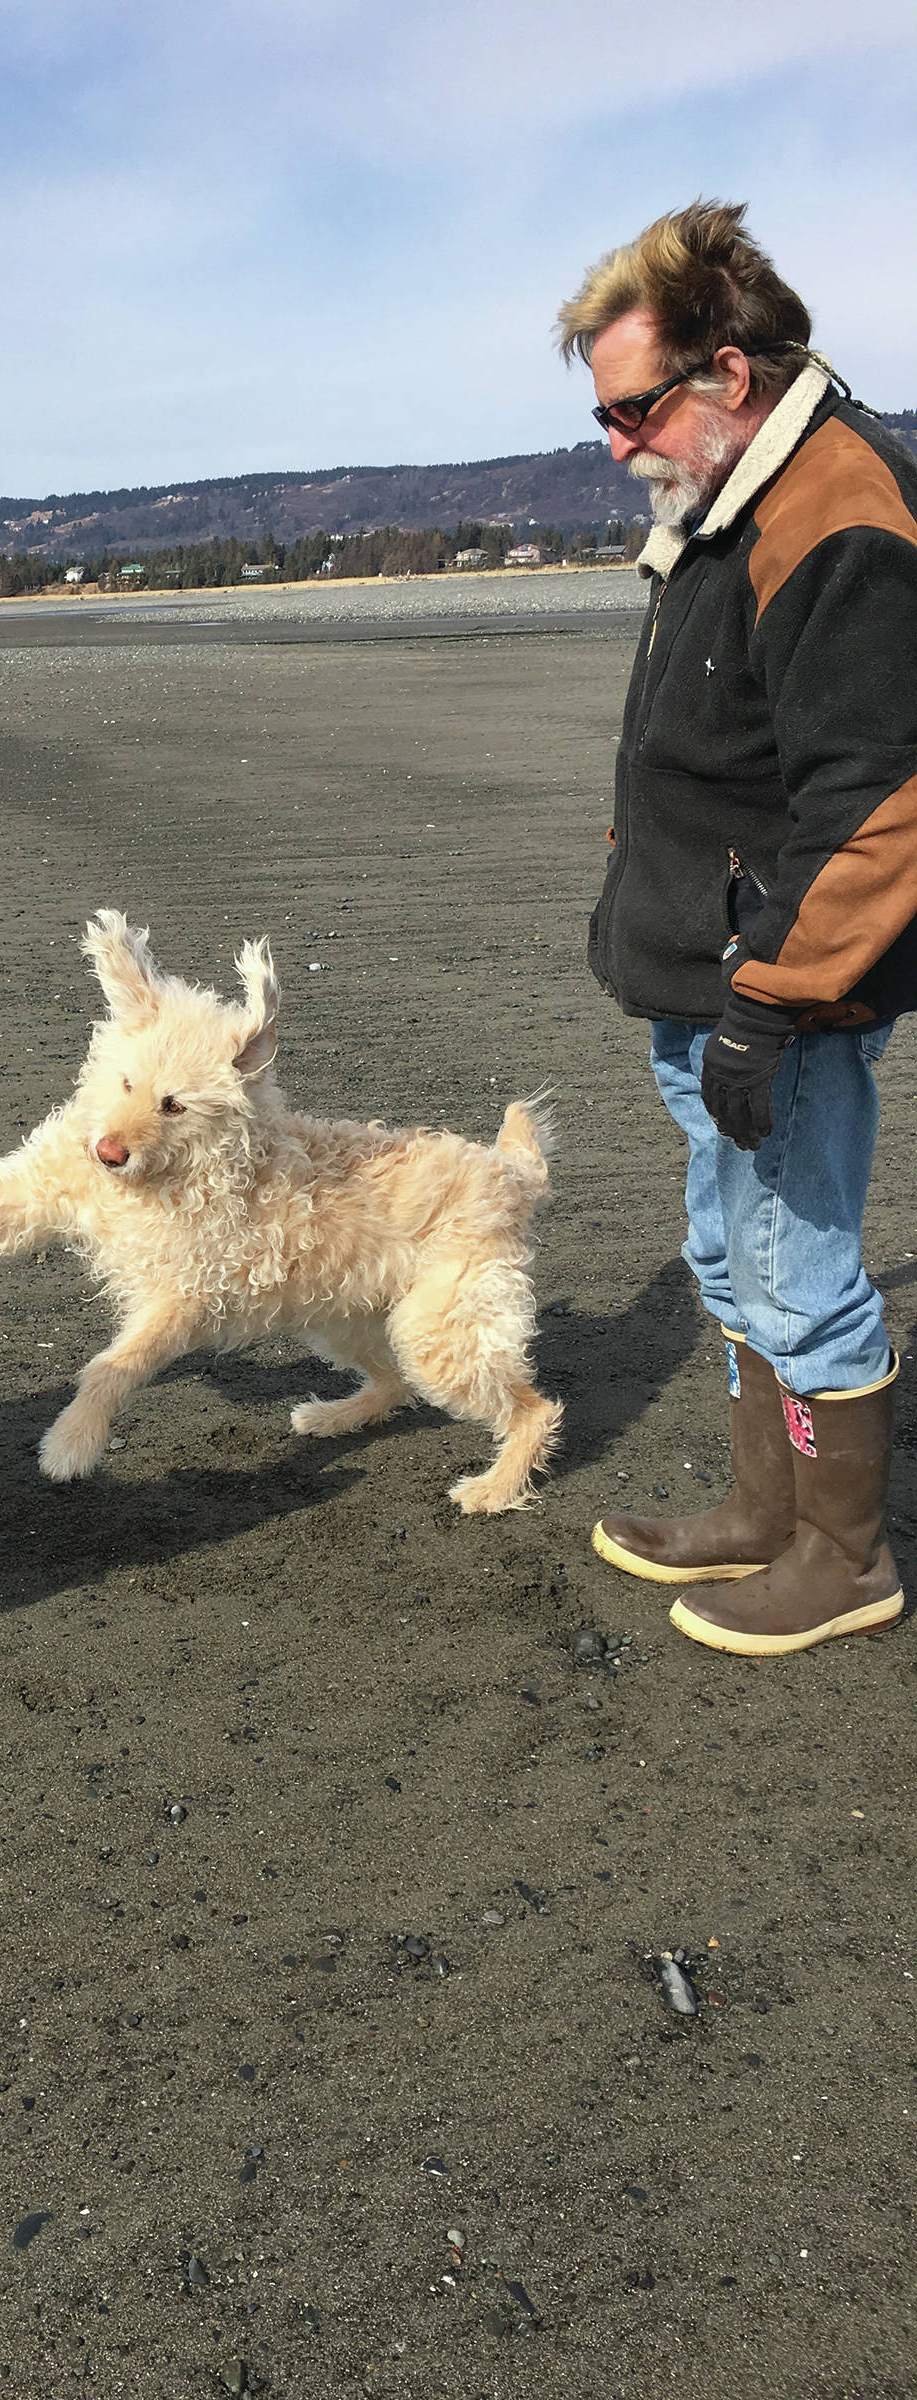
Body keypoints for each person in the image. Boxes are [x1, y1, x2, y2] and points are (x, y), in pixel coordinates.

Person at [556, 199, 917, 1656]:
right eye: (601, 417)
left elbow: (882, 792)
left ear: (730, 370)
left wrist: (777, 996)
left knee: (799, 1270)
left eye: (634, 407)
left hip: (776, 989)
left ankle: (847, 1555)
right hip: (708, 974)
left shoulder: (839, 504)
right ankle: (767, 1510)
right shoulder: (730, 494)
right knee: (729, 1255)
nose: (620, 443)